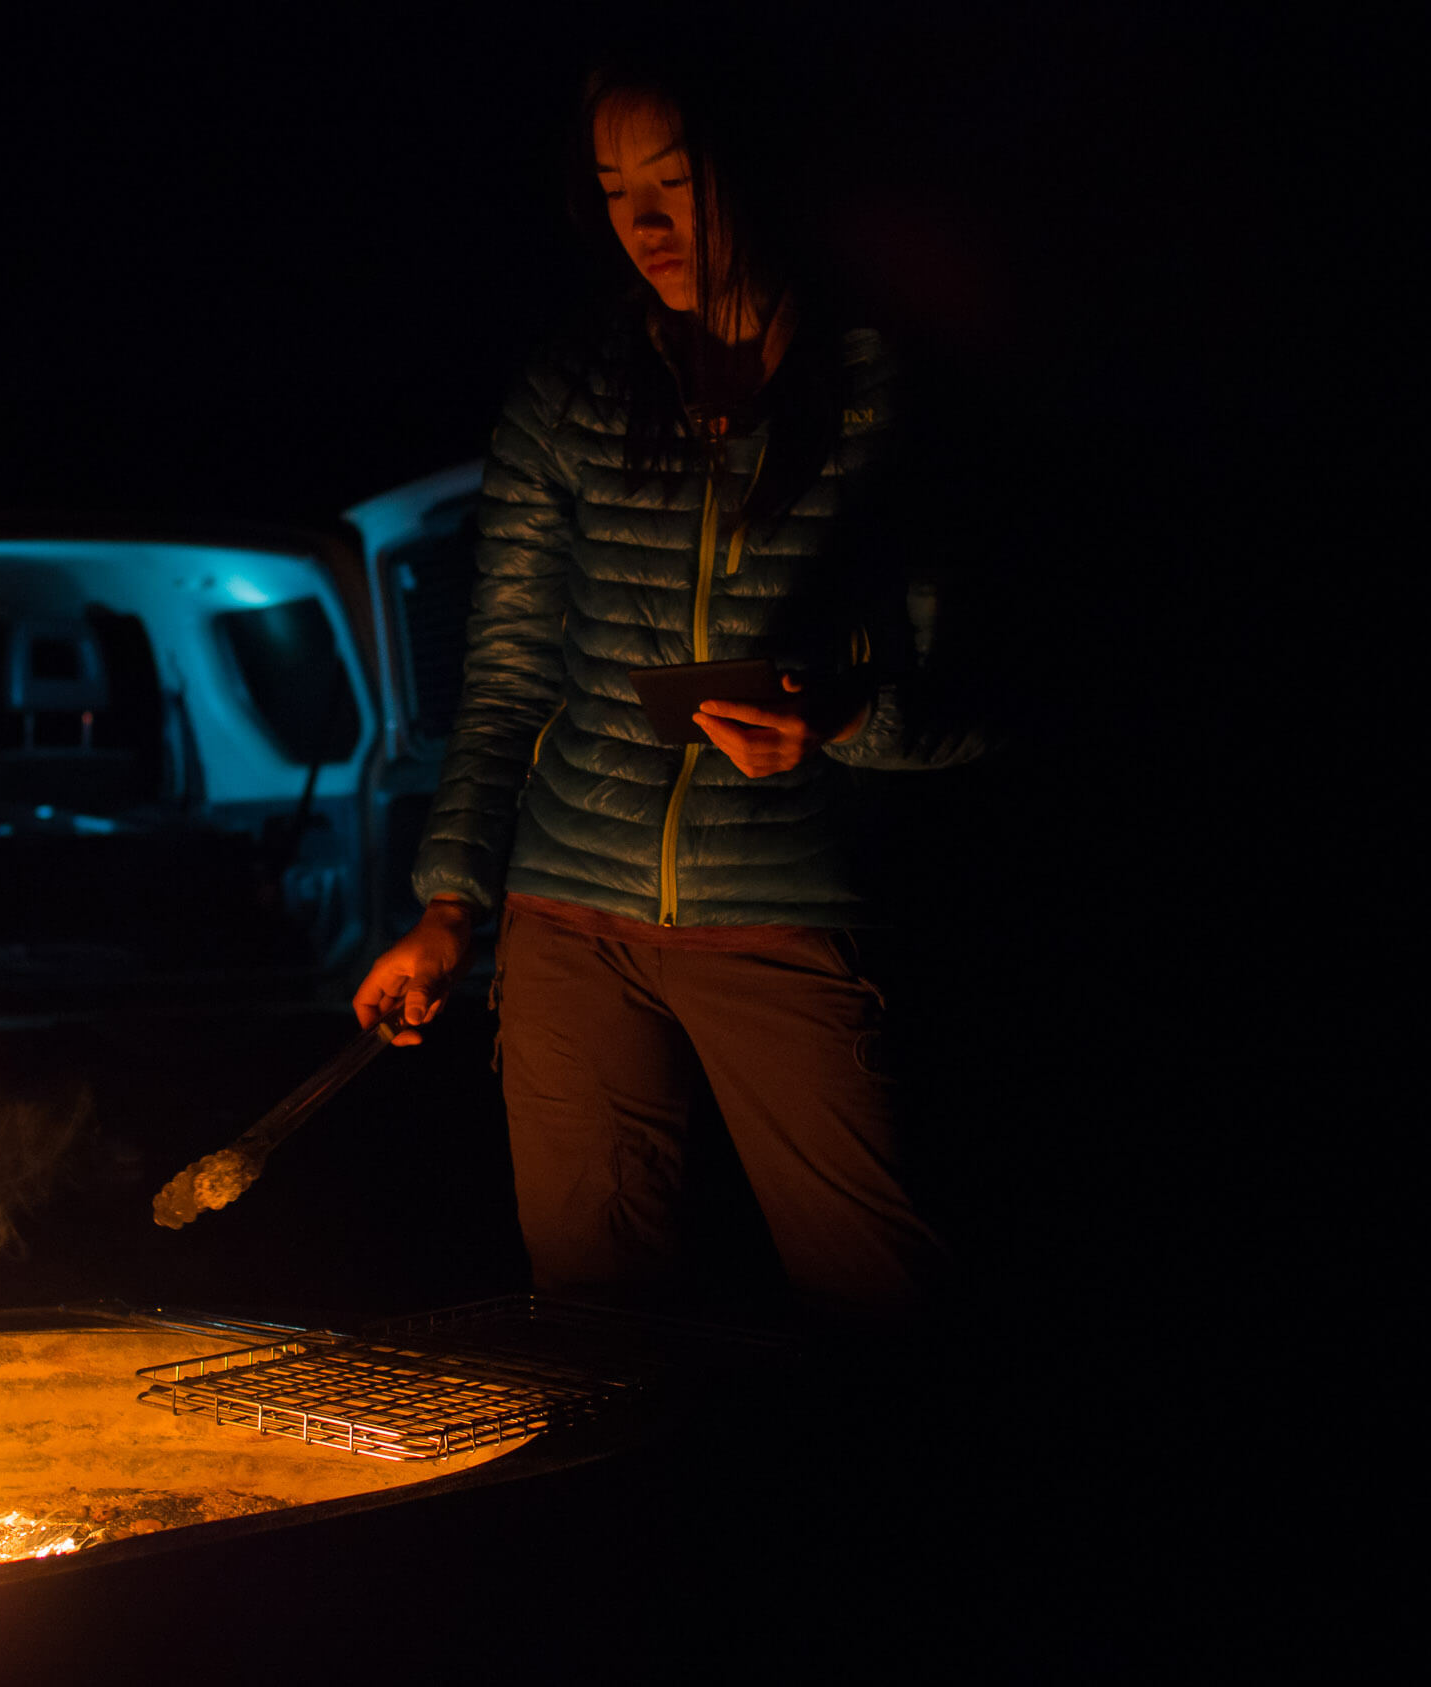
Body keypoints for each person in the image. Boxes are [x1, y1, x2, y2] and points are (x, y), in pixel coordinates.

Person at [352, 54, 993, 1325]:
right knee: (590, 1322)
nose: (643, 225)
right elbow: (505, 684)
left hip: (784, 916)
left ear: (755, 177)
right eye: (612, 191)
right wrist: (447, 907)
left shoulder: (884, 395)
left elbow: (983, 696)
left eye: (676, 182)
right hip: (569, 920)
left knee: (883, 1301)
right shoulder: (574, 396)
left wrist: (845, 720)